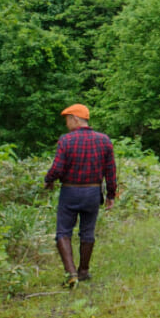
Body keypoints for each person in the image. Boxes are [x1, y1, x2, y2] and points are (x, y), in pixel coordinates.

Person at [44, 103, 117, 288]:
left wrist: (49, 179)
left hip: (70, 191)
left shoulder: (66, 140)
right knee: (87, 232)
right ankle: (83, 271)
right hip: (93, 192)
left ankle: (71, 274)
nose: (67, 124)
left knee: (63, 232)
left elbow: (57, 168)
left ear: (75, 118)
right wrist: (111, 194)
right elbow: (110, 171)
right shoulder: (104, 140)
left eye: (67, 120)